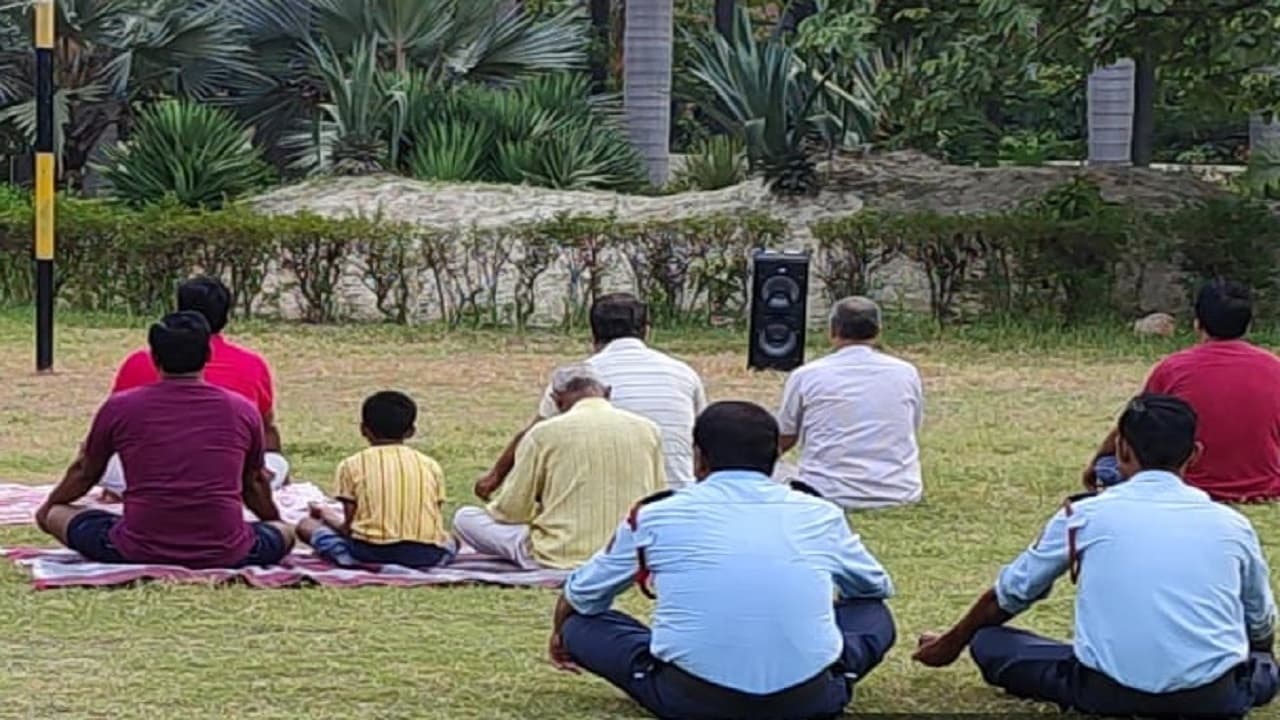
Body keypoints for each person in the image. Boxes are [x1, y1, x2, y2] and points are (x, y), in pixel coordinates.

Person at [915, 394, 1278, 717]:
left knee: (989, 640)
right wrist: (1260, 655)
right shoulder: (1232, 525)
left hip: (1105, 693)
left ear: (1121, 449)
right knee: (1263, 666)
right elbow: (1260, 619)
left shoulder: (1084, 515)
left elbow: (1011, 594)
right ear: (1195, 454)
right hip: (1214, 698)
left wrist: (952, 643)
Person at [550, 401, 896, 720]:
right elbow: (873, 587)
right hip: (808, 701)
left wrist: (560, 631)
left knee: (580, 625)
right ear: (776, 456)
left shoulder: (656, 515)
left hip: (692, 701)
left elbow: (583, 595)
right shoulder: (819, 513)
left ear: (698, 458)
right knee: (873, 613)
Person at [35, 312, 295, 569]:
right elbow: (254, 482)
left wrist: (46, 509)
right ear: (208, 355)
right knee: (285, 533)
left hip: (135, 548)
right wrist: (274, 521)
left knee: (58, 514)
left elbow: (85, 472)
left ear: (154, 358)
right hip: (227, 550)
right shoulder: (242, 409)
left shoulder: (120, 407)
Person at [475, 293, 705, 496]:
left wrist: (494, 478)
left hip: (608, 503)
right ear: (647, 330)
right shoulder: (684, 374)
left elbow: (532, 436)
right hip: (680, 500)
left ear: (593, 334)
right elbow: (702, 440)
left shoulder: (578, 378)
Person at [1083, 279, 1280, 502]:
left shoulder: (1174, 368)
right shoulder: (1274, 367)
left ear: (1198, 323)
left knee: (1110, 464)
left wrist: (1096, 462)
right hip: (1264, 484)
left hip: (1186, 484)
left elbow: (1135, 422)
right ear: (1248, 325)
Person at [453, 364, 665, 570]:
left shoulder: (542, 434)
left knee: (465, 518)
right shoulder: (649, 429)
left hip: (559, 551)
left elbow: (511, 512)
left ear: (557, 400)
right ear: (608, 393)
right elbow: (658, 499)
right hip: (629, 552)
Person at [101, 276, 289, 501]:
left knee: (110, 463)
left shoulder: (139, 362)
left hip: (148, 477)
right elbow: (265, 430)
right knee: (277, 464)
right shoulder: (251, 366)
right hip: (228, 479)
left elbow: (110, 434)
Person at [776, 296, 925, 509]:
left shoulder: (806, 375)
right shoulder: (906, 372)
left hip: (823, 491)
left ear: (832, 330)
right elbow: (910, 426)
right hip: (899, 491)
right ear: (878, 332)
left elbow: (786, 436)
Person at [296, 391, 454, 569]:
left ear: (363, 429)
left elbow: (348, 528)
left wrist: (326, 515)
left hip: (368, 553)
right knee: (451, 539)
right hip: (425, 556)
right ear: (411, 432)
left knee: (306, 526)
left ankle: (349, 559)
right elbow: (435, 517)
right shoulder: (431, 465)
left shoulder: (351, 465)